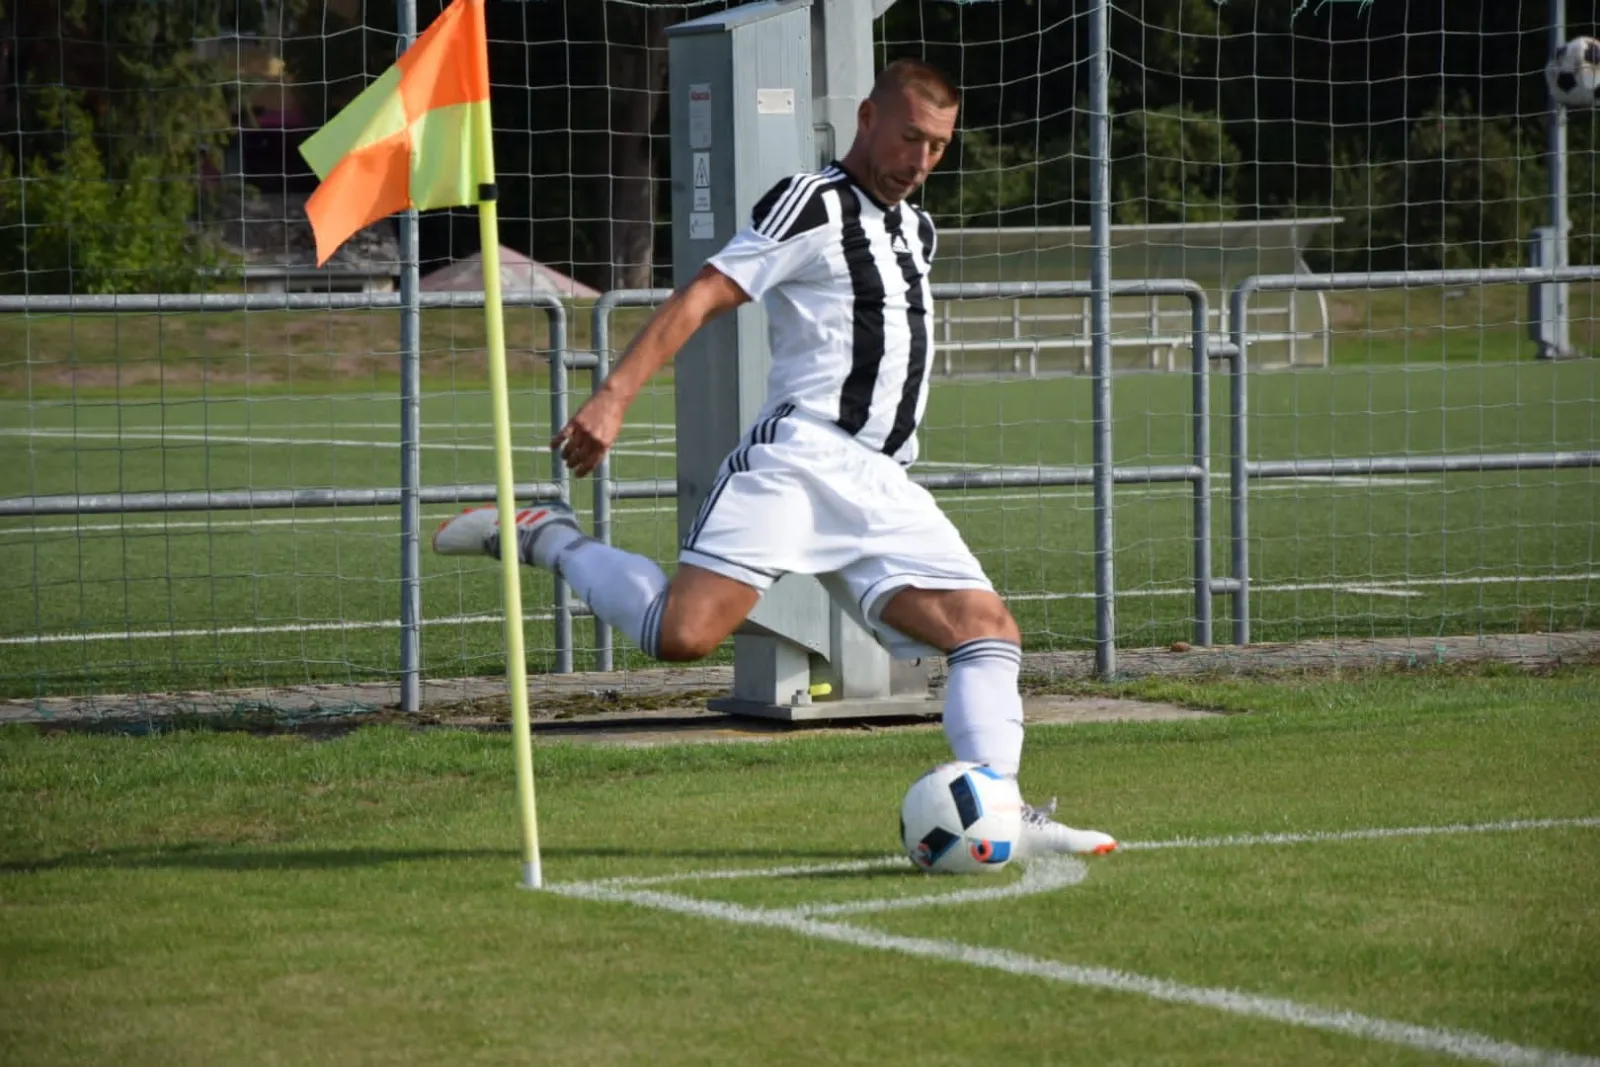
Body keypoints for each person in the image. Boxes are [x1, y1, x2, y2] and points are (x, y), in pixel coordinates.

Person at [433, 58, 1116, 857]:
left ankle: (1005, 811)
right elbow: (702, 294)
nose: (922, 159)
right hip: (799, 463)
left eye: (937, 146)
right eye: (910, 138)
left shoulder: (916, 230)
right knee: (680, 635)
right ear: (867, 119)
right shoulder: (812, 201)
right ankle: (548, 534)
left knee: (988, 632)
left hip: (881, 481)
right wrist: (613, 395)